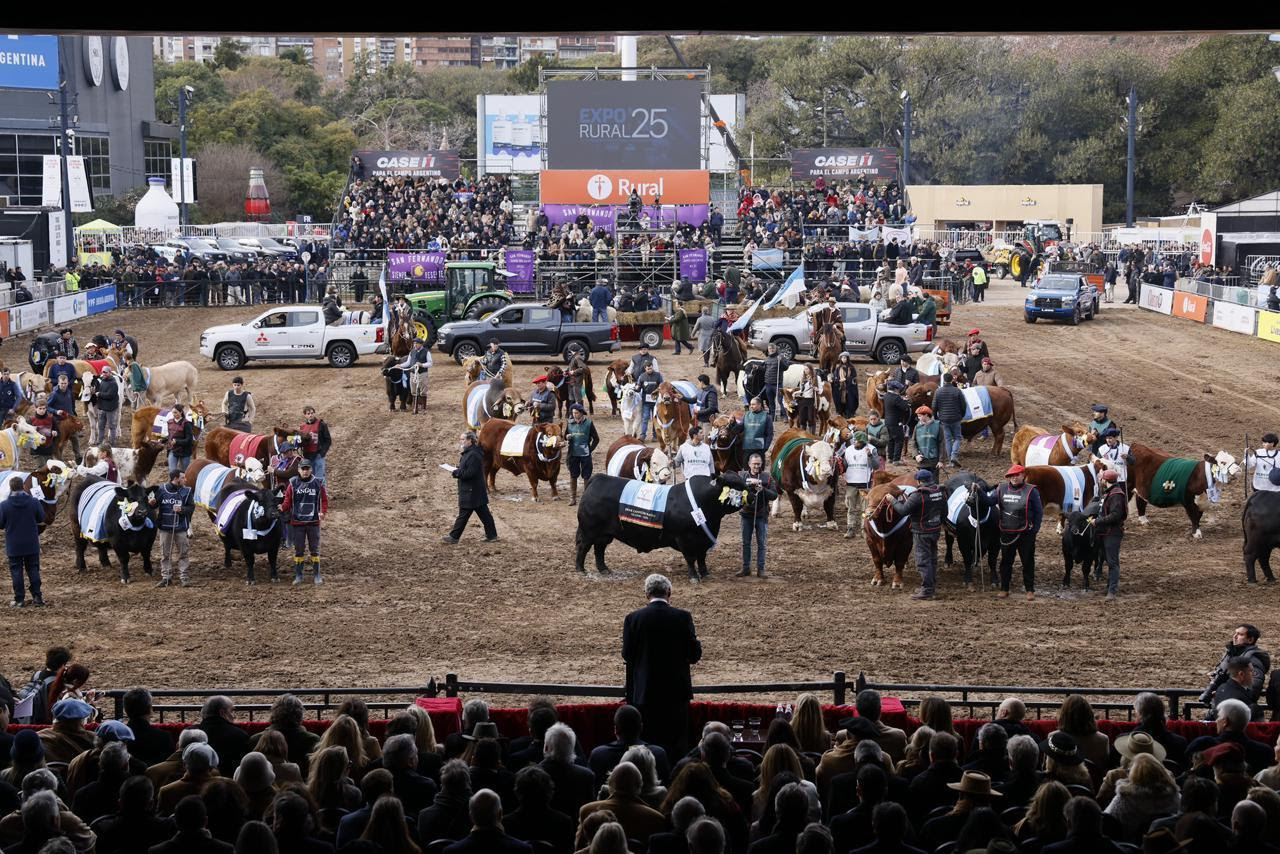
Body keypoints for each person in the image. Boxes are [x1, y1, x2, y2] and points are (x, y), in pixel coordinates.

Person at [623, 573, 702, 760]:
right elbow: (694, 655)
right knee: (676, 749)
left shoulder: (633, 618)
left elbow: (627, 655)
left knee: (647, 749)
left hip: (644, 695)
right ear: (669, 592)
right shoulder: (683, 617)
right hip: (675, 696)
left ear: (646, 594)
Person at [987, 465, 1043, 601]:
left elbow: (1039, 512)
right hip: (1007, 532)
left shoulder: (1032, 491)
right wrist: (978, 493)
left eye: (1017, 475)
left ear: (1023, 475)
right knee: (1006, 562)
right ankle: (1004, 588)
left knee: (1027, 562)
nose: (1014, 477)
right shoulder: (1001, 489)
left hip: (1026, 533)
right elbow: (989, 501)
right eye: (1011, 475)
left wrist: (1035, 530)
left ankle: (1029, 590)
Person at [890, 469, 947, 601]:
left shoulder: (917, 495)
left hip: (921, 532)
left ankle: (927, 590)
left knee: (923, 561)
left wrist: (892, 500)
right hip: (935, 529)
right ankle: (930, 586)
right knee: (932, 559)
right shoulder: (940, 492)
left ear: (919, 481)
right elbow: (945, 511)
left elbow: (903, 511)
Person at [443, 431, 498, 544]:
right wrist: (458, 469)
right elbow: (467, 469)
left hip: (471, 491)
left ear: (470, 440)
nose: (461, 441)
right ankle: (492, 535)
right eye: (461, 439)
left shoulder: (473, 455)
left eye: (463, 439)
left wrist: (456, 472)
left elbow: (469, 473)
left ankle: (454, 537)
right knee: (484, 514)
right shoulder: (470, 453)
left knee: (464, 514)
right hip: (474, 490)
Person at [279, 458, 327, 585]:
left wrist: (323, 512)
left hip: (313, 523)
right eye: (303, 469)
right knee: (298, 550)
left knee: (314, 549)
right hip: (297, 523)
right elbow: (287, 500)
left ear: (311, 470)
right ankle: (299, 575)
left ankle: (317, 575)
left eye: (307, 469)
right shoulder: (293, 483)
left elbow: (324, 500)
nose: (305, 471)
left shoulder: (318, 483)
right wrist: (282, 507)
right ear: (299, 470)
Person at [1201, 624, 1269, 711]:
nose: (1235, 636)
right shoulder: (1231, 654)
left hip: (1237, 710)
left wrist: (1225, 692)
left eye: (1240, 634)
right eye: (1235, 633)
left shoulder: (1252, 660)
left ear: (1250, 640)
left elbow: (1253, 688)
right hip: (1224, 707)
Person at [1, 476, 44, 608]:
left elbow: (0, 524)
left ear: (11, 487)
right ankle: (37, 597)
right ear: (23, 486)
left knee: (16, 571)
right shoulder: (34, 502)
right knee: (33, 569)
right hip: (31, 542)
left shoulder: (4, 505)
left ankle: (19, 600)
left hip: (14, 544)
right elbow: (41, 518)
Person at [737, 452, 778, 579]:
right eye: (754, 464)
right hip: (746, 514)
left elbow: (774, 495)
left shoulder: (767, 477)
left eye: (758, 464)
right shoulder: (742, 476)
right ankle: (746, 568)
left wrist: (763, 489)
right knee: (746, 543)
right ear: (749, 464)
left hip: (761, 515)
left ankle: (761, 569)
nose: (756, 466)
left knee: (761, 543)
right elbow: (736, 492)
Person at [150, 469, 194, 588]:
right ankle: (166, 578)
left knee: (183, 553)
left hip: (181, 528)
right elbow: (154, 505)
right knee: (165, 554)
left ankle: (184, 578)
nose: (185, 480)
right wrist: (152, 503)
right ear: (175, 479)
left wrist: (182, 509)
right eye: (183, 478)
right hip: (165, 528)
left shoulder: (187, 491)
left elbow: (191, 508)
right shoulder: (161, 489)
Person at [1095, 469, 1127, 600]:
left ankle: (1112, 591)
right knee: (1108, 560)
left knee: (1112, 562)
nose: (1100, 480)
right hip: (1105, 532)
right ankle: (1109, 587)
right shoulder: (1110, 492)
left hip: (1112, 533)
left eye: (1102, 478)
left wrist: (1097, 521)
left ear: (1106, 480)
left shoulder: (1116, 495)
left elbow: (1115, 515)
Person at [840, 432, 879, 539]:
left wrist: (870, 455)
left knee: (865, 509)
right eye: (854, 440)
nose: (855, 442)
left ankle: (864, 529)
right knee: (851, 508)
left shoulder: (871, 449)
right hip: (851, 483)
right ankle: (850, 528)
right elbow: (845, 465)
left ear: (863, 442)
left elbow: (876, 466)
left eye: (857, 441)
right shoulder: (848, 450)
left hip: (865, 483)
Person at [566, 404, 599, 506]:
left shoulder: (589, 423)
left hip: (585, 454)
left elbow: (596, 439)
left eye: (576, 413)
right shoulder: (569, 423)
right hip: (573, 453)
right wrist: (567, 437)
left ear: (581, 413)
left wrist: (590, 449)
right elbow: (564, 436)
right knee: (573, 475)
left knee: (586, 475)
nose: (574, 415)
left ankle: (586, 499)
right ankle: (572, 498)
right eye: (573, 413)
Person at [1093, 428, 1134, 493]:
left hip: (1121, 479)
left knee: (1120, 497)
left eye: (1110, 438)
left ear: (1116, 437)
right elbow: (1097, 464)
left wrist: (1127, 457)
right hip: (1107, 480)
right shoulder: (1102, 449)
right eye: (1107, 438)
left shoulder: (1125, 448)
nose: (1108, 440)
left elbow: (1133, 461)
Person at [298, 406, 332, 482]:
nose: (310, 415)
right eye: (308, 413)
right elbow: (300, 442)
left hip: (318, 455)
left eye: (312, 413)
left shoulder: (321, 424)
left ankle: (322, 490)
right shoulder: (302, 427)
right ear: (305, 415)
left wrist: (322, 453)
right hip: (307, 456)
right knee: (309, 477)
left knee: (319, 478)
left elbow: (328, 440)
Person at [881, 381, 910, 464]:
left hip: (887, 421)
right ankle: (896, 460)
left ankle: (890, 458)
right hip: (896, 422)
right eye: (898, 389)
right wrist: (905, 401)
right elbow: (905, 408)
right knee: (899, 440)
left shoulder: (886, 396)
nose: (899, 391)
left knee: (891, 440)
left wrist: (901, 399)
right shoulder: (896, 398)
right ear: (895, 389)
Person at [90, 369, 121, 447]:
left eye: (106, 372)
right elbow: (100, 391)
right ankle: (100, 442)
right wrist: (95, 391)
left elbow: (110, 395)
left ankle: (112, 444)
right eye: (103, 372)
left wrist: (99, 394)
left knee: (112, 427)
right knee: (101, 427)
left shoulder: (113, 383)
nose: (104, 374)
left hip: (110, 409)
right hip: (102, 408)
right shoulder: (102, 381)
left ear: (110, 373)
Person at [637, 362, 664, 442]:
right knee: (645, 418)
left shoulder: (658, 375)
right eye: (648, 369)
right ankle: (642, 435)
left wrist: (657, 391)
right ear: (645, 368)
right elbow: (638, 386)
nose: (650, 370)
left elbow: (662, 386)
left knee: (655, 418)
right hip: (646, 401)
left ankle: (655, 436)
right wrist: (636, 388)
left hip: (656, 401)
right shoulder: (642, 376)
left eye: (651, 368)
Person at [911, 406, 942, 477]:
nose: (918, 418)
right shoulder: (917, 427)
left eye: (920, 416)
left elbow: (942, 444)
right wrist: (916, 455)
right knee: (922, 480)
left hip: (934, 461)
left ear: (926, 415)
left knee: (934, 481)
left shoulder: (938, 426)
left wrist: (941, 461)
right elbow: (913, 442)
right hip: (922, 460)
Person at [741, 396, 774, 462]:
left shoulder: (767, 417)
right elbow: (740, 428)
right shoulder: (746, 415)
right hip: (747, 448)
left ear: (759, 405)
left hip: (759, 449)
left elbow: (770, 434)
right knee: (746, 467)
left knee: (758, 467)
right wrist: (732, 423)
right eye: (750, 404)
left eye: (753, 404)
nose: (751, 406)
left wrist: (765, 448)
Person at [762, 343, 788, 420]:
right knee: (770, 401)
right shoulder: (767, 359)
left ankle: (784, 416)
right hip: (768, 383)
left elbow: (786, 367)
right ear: (768, 350)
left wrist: (781, 361)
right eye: (770, 349)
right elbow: (764, 369)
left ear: (775, 349)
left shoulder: (780, 357)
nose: (771, 350)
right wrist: (757, 367)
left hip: (777, 383)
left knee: (780, 400)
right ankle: (772, 416)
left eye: (773, 348)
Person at [167, 405, 195, 473]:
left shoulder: (187, 424)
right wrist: (162, 440)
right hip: (173, 450)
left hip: (184, 451)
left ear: (181, 412)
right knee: (172, 471)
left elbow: (189, 440)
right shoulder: (170, 422)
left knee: (184, 472)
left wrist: (177, 441)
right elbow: (169, 436)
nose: (174, 414)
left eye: (175, 412)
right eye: (173, 412)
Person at [832, 352, 858, 419]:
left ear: (847, 358)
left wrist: (846, 379)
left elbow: (854, 377)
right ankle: (840, 412)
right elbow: (835, 377)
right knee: (840, 400)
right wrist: (837, 380)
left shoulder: (851, 367)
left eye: (845, 358)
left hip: (849, 389)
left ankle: (848, 413)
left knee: (849, 400)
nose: (843, 359)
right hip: (841, 388)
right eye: (842, 358)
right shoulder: (838, 368)